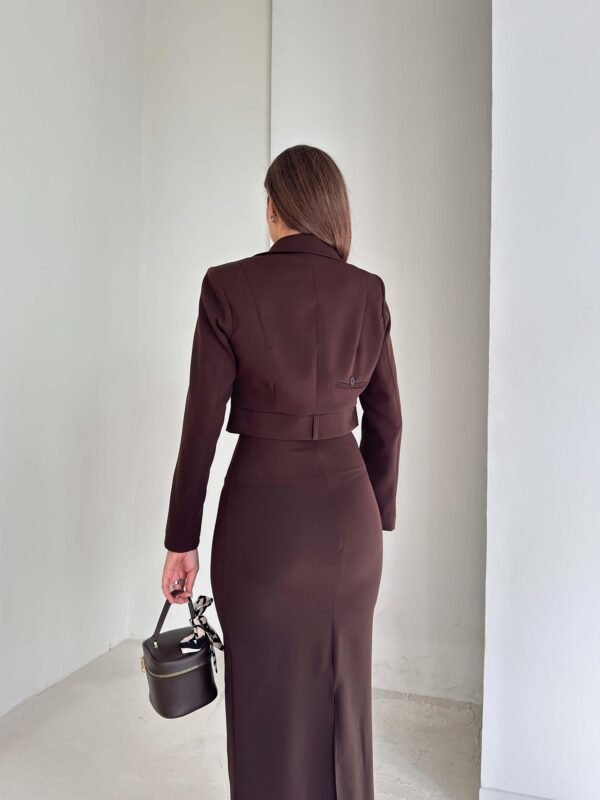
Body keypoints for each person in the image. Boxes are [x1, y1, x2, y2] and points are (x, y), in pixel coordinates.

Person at [161, 144, 402, 800]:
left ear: (273, 208)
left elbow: (200, 425)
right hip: (349, 521)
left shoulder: (226, 286)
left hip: (261, 519)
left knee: (262, 700)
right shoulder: (367, 292)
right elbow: (387, 420)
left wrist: (182, 539)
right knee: (343, 698)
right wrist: (375, 515)